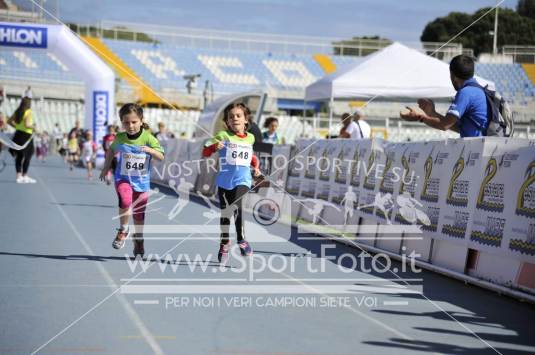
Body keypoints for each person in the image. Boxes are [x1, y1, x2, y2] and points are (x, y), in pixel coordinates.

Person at [99, 103, 164, 258]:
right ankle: (123, 230)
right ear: (122, 123)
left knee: (139, 214)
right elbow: (111, 151)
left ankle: (139, 239)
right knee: (125, 200)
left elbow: (161, 157)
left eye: (134, 122)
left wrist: (151, 150)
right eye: (126, 122)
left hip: (141, 182)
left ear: (141, 121)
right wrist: (106, 167)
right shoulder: (120, 138)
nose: (130, 126)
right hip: (123, 178)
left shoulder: (148, 138)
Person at [202, 102, 261, 264]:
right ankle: (224, 242)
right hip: (224, 181)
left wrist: (256, 167)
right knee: (226, 214)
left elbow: (251, 157)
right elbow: (205, 152)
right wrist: (215, 146)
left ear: (245, 120)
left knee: (237, 206)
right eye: (231, 117)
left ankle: (242, 240)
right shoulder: (223, 136)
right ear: (227, 122)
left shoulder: (251, 137)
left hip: (243, 180)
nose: (234, 118)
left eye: (238, 116)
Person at [400, 54, 487, 138]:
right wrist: (431, 113)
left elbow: (444, 125)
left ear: (453, 75)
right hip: (482, 146)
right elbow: (457, 127)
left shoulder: (466, 93)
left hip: (479, 149)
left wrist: (419, 117)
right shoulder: (477, 90)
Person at [7, 97, 36, 184]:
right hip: (26, 135)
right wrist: (34, 127)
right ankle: (24, 175)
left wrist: (17, 127)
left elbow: (9, 121)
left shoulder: (18, 111)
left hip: (18, 134)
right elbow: (27, 124)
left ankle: (18, 176)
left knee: (19, 155)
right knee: (29, 154)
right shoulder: (28, 111)